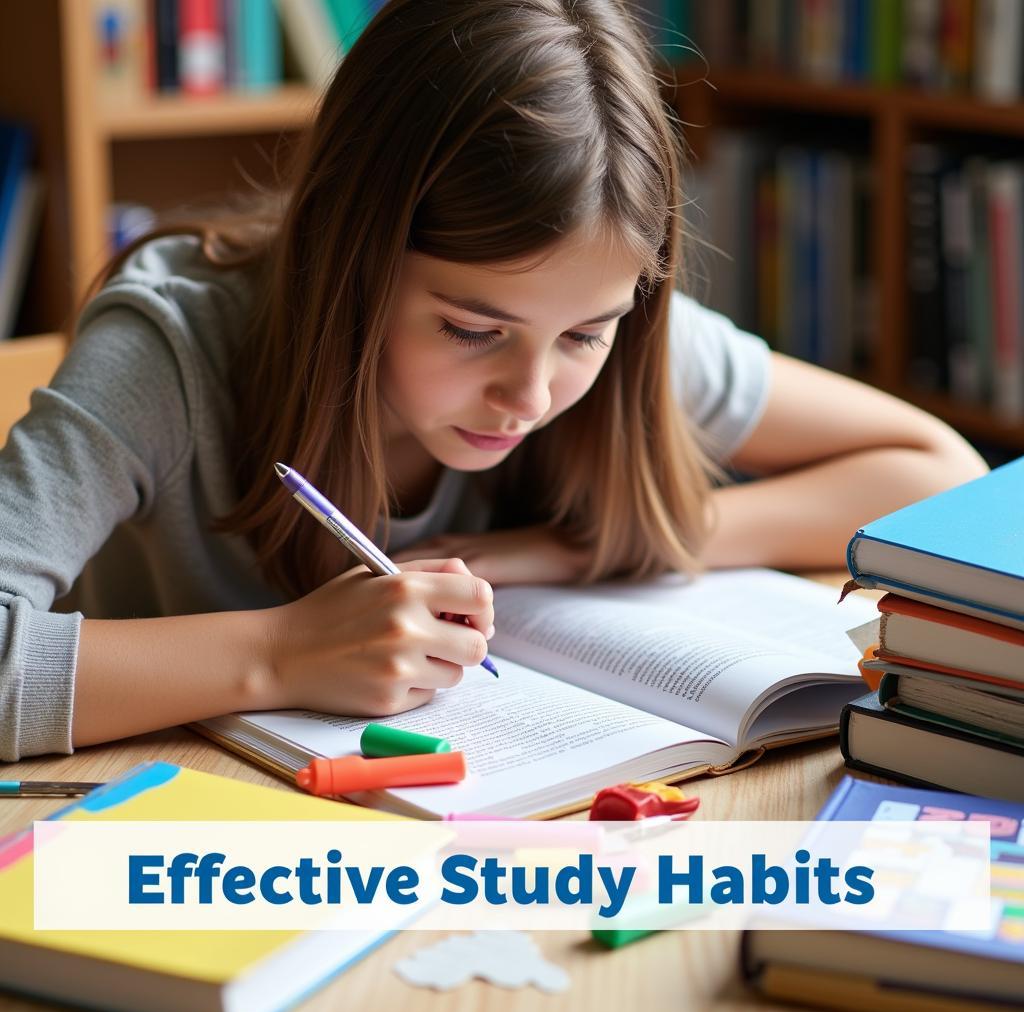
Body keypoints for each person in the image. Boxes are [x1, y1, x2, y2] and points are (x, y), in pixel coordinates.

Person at [0, 0, 986, 762]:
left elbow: (935, 471)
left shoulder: (588, 314)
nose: (530, 391)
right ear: (350, 256)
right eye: (472, 330)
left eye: (586, 335)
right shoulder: (172, 348)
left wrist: (581, 546)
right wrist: (281, 652)